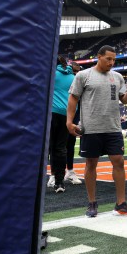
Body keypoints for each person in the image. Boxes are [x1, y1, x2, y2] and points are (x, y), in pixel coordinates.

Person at [66, 45, 127, 218]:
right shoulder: (83, 75)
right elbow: (73, 98)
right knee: (91, 164)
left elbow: (125, 101)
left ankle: (121, 204)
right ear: (99, 57)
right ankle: (92, 203)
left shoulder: (117, 77)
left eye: (114, 59)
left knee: (119, 161)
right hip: (91, 128)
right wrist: (69, 122)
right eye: (108, 59)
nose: (112, 62)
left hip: (113, 127)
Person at [48, 56, 77, 193]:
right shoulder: (73, 77)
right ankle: (59, 183)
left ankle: (48, 178)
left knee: (46, 149)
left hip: (51, 113)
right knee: (60, 148)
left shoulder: (51, 74)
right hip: (66, 115)